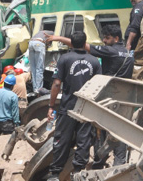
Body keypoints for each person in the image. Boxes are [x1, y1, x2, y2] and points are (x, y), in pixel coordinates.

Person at [46, 32, 102, 181]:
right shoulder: (95, 61)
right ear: (85, 43)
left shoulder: (64, 59)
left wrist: (51, 106)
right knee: (84, 140)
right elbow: (100, 87)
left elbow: (57, 83)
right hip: (87, 108)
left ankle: (55, 174)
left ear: (71, 42)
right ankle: (78, 172)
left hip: (68, 106)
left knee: (62, 139)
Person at [28, 29, 53, 95]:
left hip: (30, 43)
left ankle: (35, 88)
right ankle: (39, 88)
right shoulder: (52, 33)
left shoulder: (39, 32)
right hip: (39, 43)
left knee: (33, 68)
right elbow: (49, 43)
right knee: (39, 68)